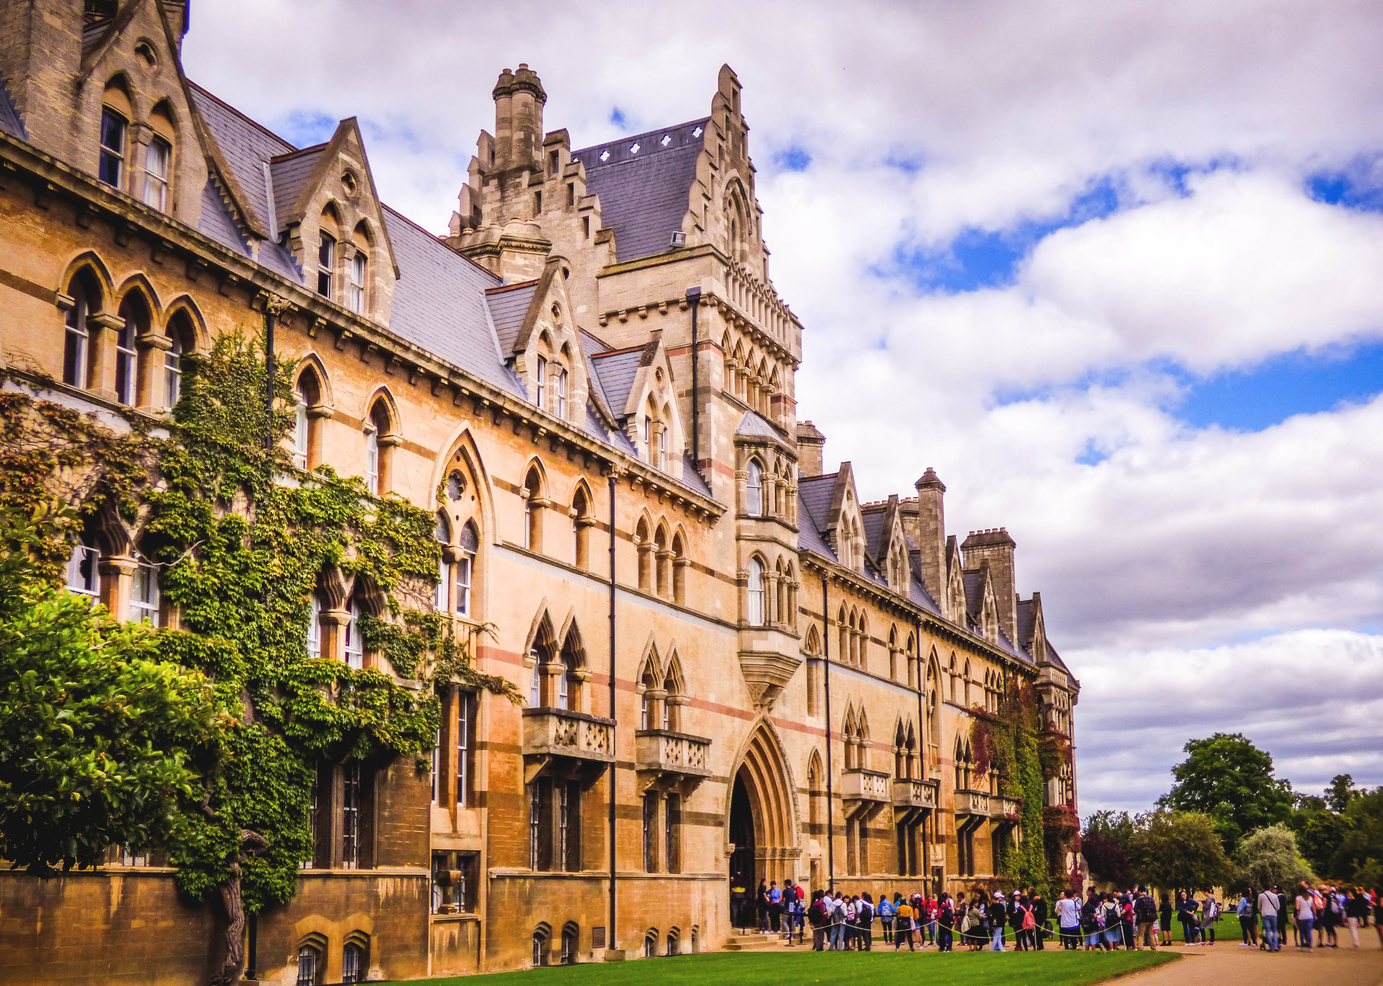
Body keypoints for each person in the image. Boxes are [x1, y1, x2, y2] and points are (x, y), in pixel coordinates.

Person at [1258, 885, 1281, 952]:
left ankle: (1271, 946)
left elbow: (1259, 906)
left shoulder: (1261, 896)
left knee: (1267, 930)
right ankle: (1275, 945)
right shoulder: (1275, 896)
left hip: (1265, 914)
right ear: (1270, 888)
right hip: (1273, 914)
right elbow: (1278, 907)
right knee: (1274, 930)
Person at [1295, 883, 1316, 951]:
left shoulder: (1298, 898)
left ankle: (1302, 947)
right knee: (1309, 932)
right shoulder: (1310, 898)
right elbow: (1313, 907)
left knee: (1302, 932)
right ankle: (1310, 947)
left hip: (1302, 917)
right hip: (1310, 916)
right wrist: (1315, 915)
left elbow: (1297, 908)